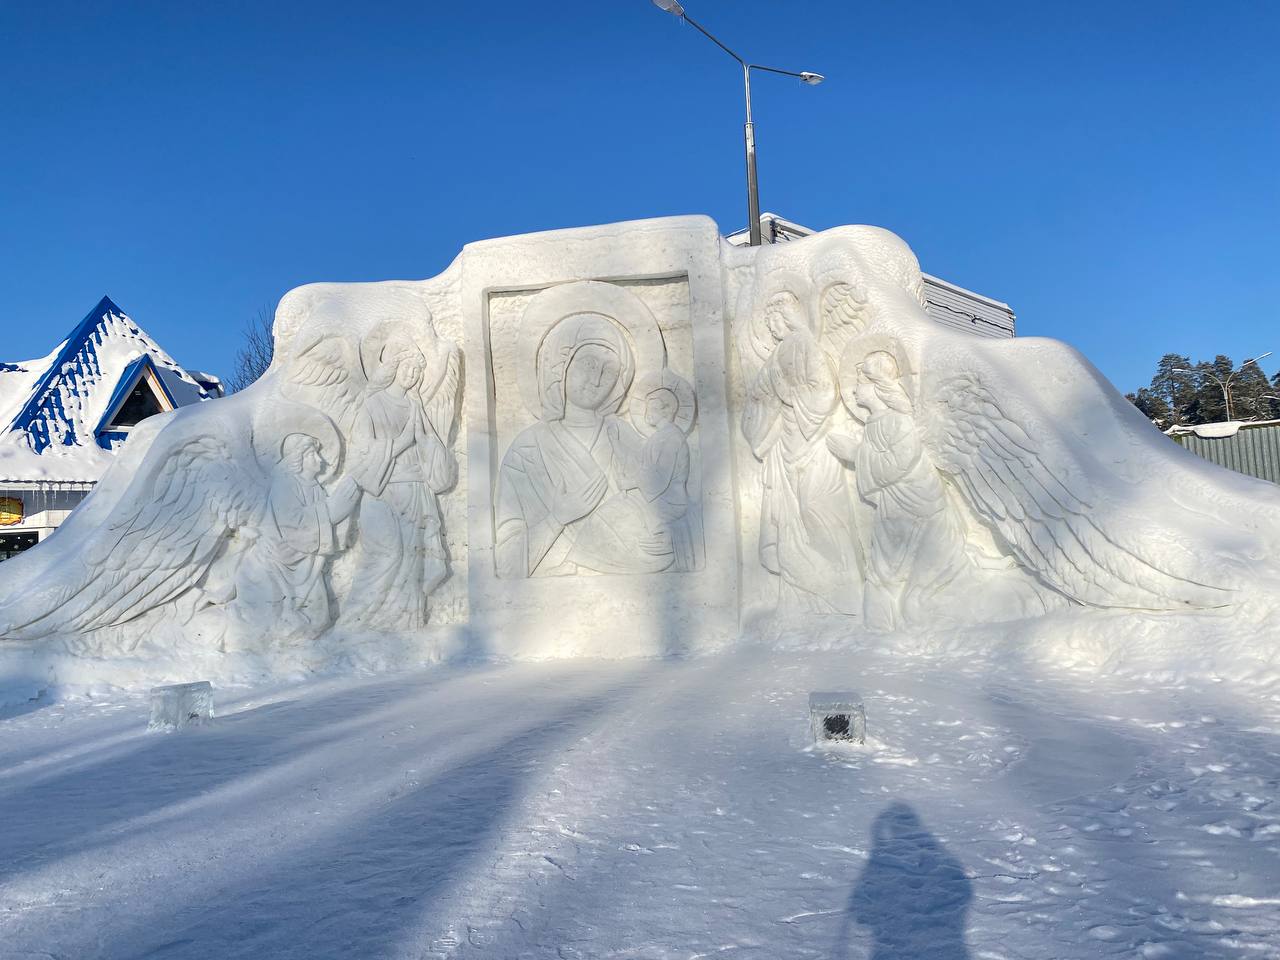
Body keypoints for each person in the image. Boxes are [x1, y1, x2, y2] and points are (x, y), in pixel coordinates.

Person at [495, 313, 668, 577]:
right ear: (560, 366)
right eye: (588, 364)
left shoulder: (624, 437)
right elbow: (507, 565)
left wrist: (663, 535)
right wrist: (557, 518)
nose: (597, 378)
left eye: (609, 370)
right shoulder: (528, 450)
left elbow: (660, 507)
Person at [743, 290, 861, 614]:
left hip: (815, 443)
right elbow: (757, 396)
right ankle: (804, 600)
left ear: (790, 316)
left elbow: (823, 392)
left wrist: (790, 397)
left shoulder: (807, 345)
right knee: (792, 521)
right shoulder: (776, 357)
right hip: (784, 446)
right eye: (769, 323)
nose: (773, 327)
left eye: (777, 320)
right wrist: (765, 409)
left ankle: (845, 584)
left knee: (817, 510)